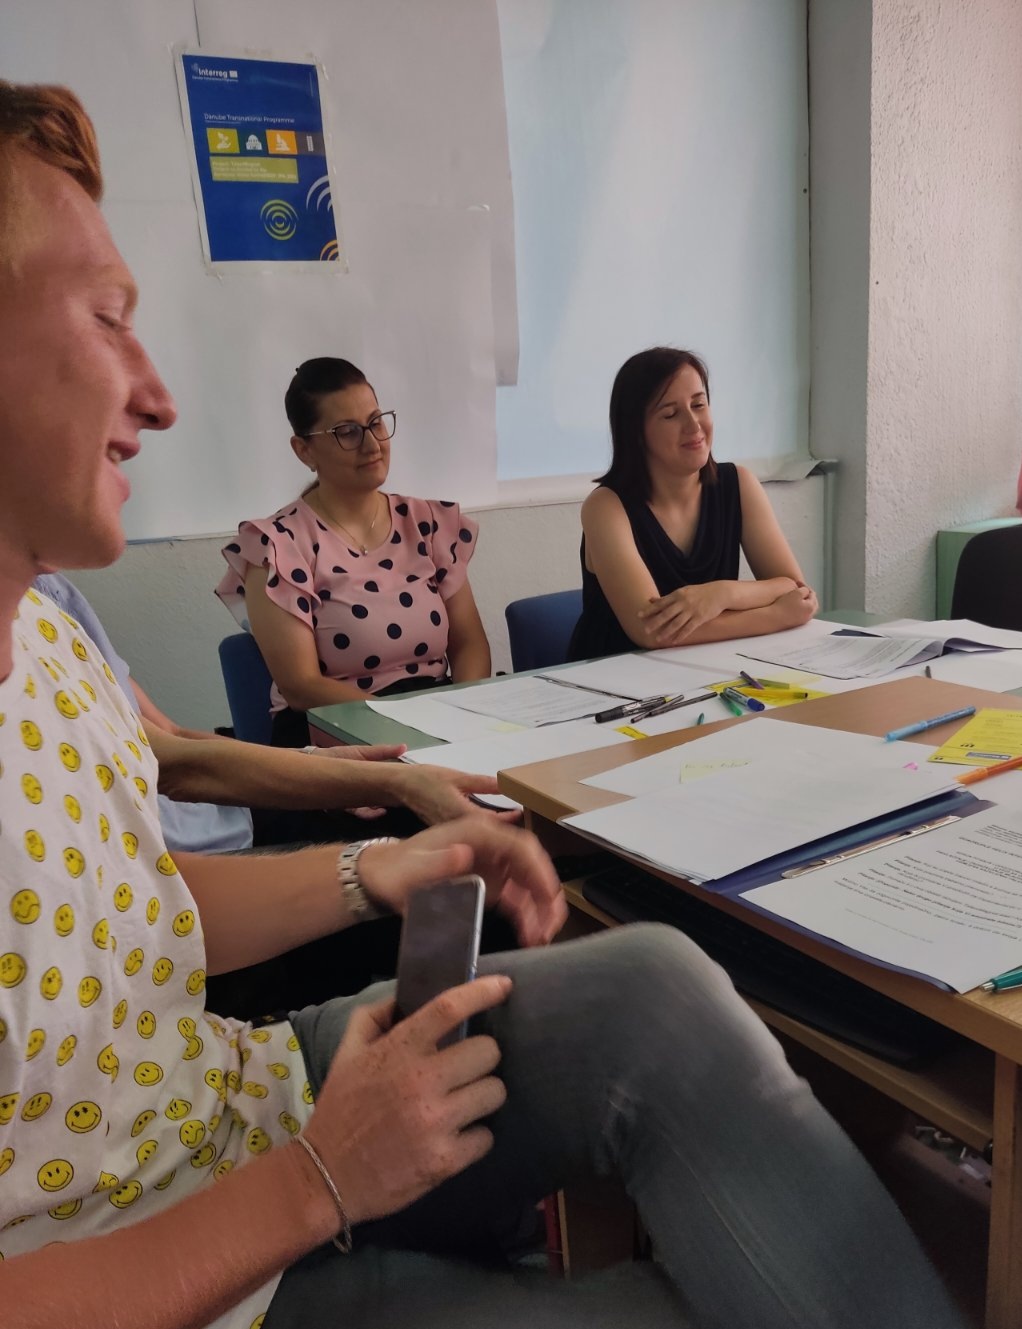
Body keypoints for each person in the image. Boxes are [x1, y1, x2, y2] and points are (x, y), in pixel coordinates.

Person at [0, 81, 965, 1329]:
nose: (157, 394)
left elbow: (129, 914)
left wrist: (374, 872)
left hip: (227, 1096)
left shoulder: (50, 629)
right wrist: (318, 1182)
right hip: (164, 1245)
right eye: (106, 318)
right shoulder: (304, 541)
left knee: (657, 982)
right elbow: (300, 694)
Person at [29, 572, 518, 1016]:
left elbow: (167, 740)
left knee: (454, 866)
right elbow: (175, 767)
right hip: (179, 873)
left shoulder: (53, 595)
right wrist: (393, 789)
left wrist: (316, 762)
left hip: (223, 819)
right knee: (461, 897)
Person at [216, 358, 492, 747]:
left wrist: (466, 716)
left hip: (436, 719)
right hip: (335, 730)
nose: (372, 444)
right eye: (347, 432)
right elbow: (301, 685)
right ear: (304, 450)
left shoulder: (427, 522)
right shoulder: (278, 544)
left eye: (376, 422)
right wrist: (410, 728)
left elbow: (470, 643)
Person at [568, 347, 819, 662]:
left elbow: (796, 590)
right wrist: (775, 615)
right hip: (615, 680)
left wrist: (721, 594)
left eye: (699, 405)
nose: (694, 425)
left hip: (708, 671)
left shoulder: (739, 484)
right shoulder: (605, 507)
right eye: (670, 414)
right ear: (636, 431)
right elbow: (653, 632)